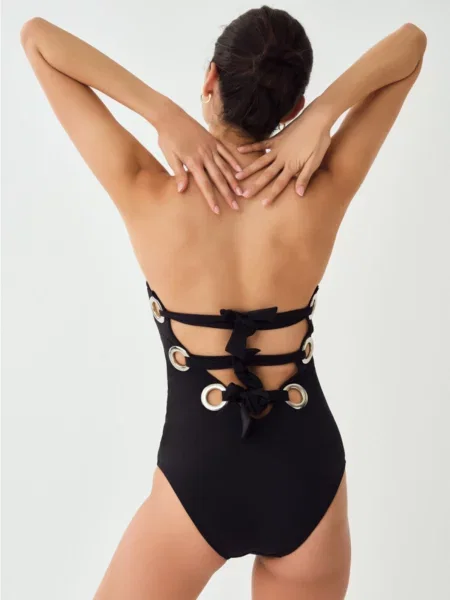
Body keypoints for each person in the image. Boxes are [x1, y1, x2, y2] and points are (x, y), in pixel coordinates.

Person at [20, 7, 427, 600]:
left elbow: (37, 39)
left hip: (198, 476)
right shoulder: (321, 185)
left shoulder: (146, 187)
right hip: (307, 472)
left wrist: (162, 113)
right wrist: (322, 116)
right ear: (292, 106)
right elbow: (411, 44)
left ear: (210, 78)